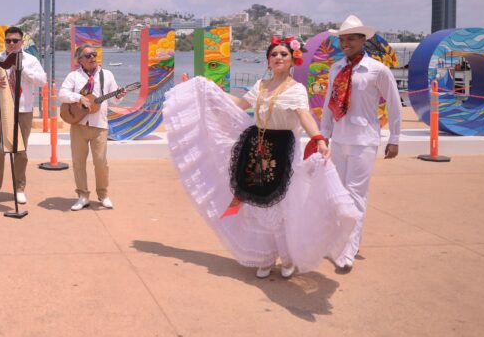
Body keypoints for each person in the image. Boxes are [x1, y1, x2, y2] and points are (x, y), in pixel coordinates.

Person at [163, 37, 359, 278]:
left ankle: (287, 258)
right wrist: (208, 95)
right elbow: (237, 104)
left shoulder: (296, 89)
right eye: (274, 54)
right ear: (268, 60)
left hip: (284, 150)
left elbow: (304, 115)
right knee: (258, 206)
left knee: (282, 205)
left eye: (283, 54)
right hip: (257, 147)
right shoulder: (261, 85)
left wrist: (318, 138)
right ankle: (264, 257)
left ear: (292, 60)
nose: (278, 58)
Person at [320, 15, 402, 271]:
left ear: (362, 40)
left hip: (364, 140)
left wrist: (395, 138)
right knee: (338, 194)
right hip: (339, 139)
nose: (346, 43)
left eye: (351, 38)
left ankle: (349, 248)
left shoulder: (377, 70)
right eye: (342, 39)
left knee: (356, 195)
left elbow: (394, 103)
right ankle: (337, 241)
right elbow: (328, 105)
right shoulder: (336, 68)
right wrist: (323, 134)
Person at [0, 26, 47, 206]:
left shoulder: (31, 60)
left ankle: (19, 189)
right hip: (0, 109)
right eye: (8, 40)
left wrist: (22, 70)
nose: (11, 44)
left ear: (21, 42)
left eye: (15, 41)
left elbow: (42, 81)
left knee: (21, 151)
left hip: (23, 110)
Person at [58, 45, 125, 210]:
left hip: (100, 125)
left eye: (94, 55)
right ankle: (82, 195)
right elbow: (62, 94)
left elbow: (115, 101)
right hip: (78, 124)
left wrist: (119, 96)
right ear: (79, 59)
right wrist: (79, 98)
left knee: (101, 162)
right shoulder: (74, 76)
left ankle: (103, 194)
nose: (92, 58)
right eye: (88, 56)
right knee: (78, 162)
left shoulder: (107, 75)